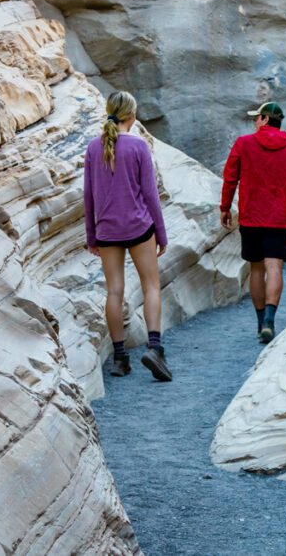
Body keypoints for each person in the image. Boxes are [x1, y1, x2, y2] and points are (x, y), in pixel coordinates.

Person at [84, 91, 172, 382]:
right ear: (132, 116)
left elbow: (89, 196)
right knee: (151, 287)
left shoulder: (94, 148)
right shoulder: (138, 146)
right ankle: (155, 348)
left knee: (114, 291)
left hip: (107, 229)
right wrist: (160, 232)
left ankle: (120, 358)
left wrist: (92, 235)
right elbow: (150, 194)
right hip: (138, 226)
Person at [219, 101, 286, 344]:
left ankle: (261, 323)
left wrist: (225, 208)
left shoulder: (243, 144)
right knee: (275, 268)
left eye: (257, 117)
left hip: (251, 217)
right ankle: (270, 319)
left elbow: (230, 178)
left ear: (266, 120)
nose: (254, 121)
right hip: (279, 219)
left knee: (256, 269)